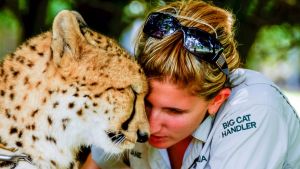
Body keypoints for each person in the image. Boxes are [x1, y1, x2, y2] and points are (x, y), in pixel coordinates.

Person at [82, 0, 300, 168]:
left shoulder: (256, 108)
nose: (151, 125)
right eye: (147, 103)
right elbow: (98, 161)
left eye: (174, 111)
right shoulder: (133, 105)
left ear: (217, 100)